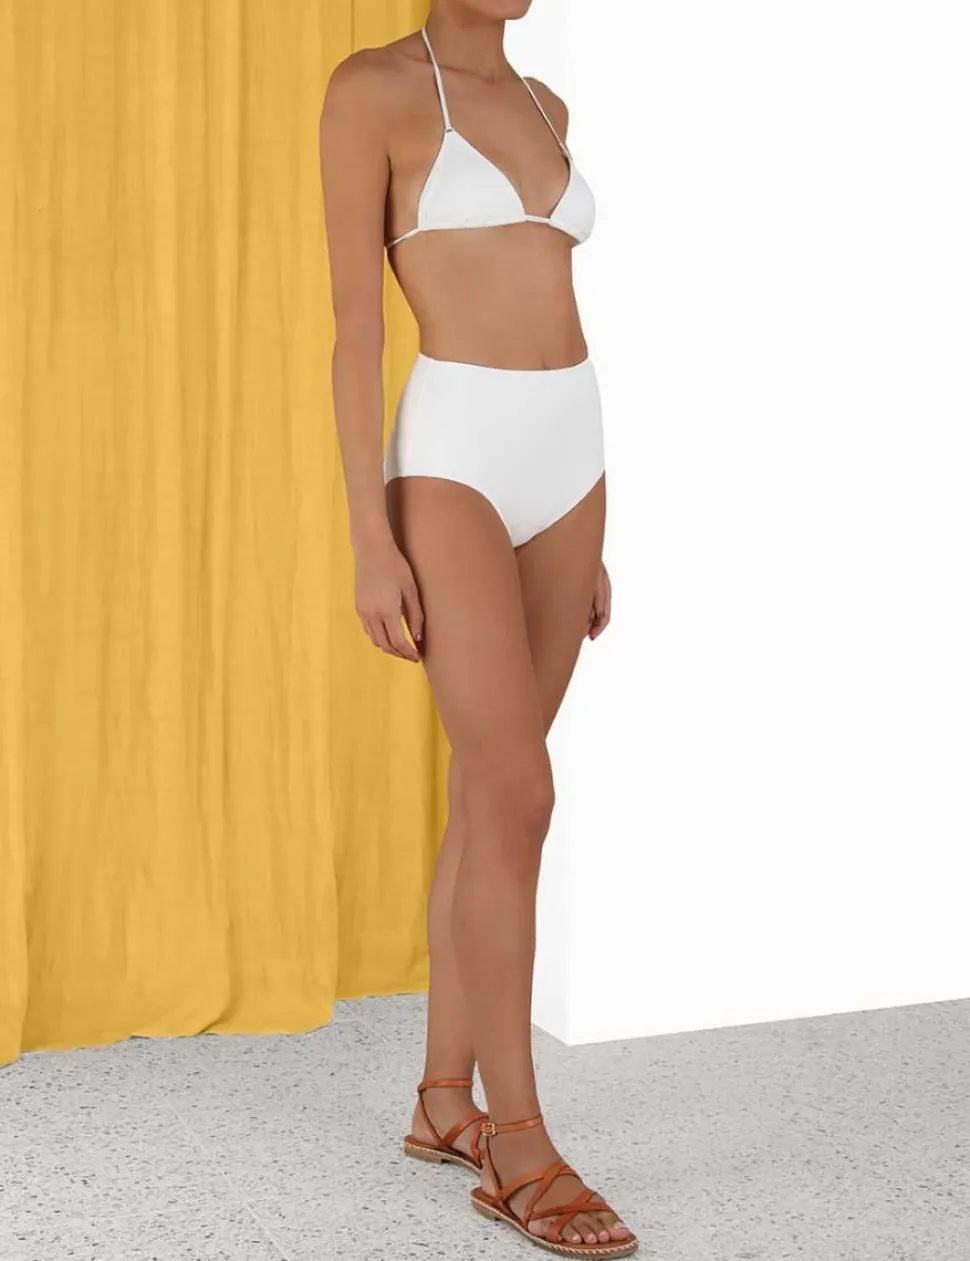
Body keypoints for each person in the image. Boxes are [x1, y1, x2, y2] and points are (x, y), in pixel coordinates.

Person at [319, 2, 636, 1254]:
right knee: (519, 791)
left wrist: (590, 533)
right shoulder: (371, 91)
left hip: (571, 455)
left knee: (486, 798)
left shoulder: (549, 107)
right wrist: (369, 536)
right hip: (452, 453)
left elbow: (558, 302)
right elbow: (356, 328)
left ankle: (441, 1099)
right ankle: (519, 1143)